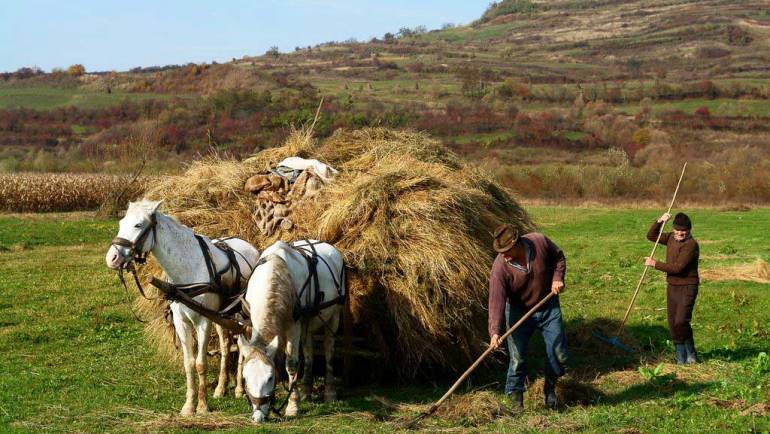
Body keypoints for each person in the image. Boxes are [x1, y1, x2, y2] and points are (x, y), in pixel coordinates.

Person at [488, 223, 568, 410]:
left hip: (548, 306)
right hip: (518, 311)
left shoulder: (539, 242)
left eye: (506, 250)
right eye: (500, 251)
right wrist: (494, 331)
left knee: (559, 354)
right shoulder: (500, 267)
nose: (503, 254)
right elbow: (496, 300)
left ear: (517, 243)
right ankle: (516, 402)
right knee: (517, 359)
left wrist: (558, 278)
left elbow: (559, 257)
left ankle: (549, 389)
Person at [645, 212, 700, 364]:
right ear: (674, 229)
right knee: (672, 322)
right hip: (673, 286)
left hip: (688, 286)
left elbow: (678, 268)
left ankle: (690, 353)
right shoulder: (670, 238)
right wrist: (660, 221)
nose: (680, 233)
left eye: (684, 231)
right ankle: (682, 358)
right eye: (677, 230)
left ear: (688, 230)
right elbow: (651, 236)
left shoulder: (691, 245)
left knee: (681, 321)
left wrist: (655, 264)